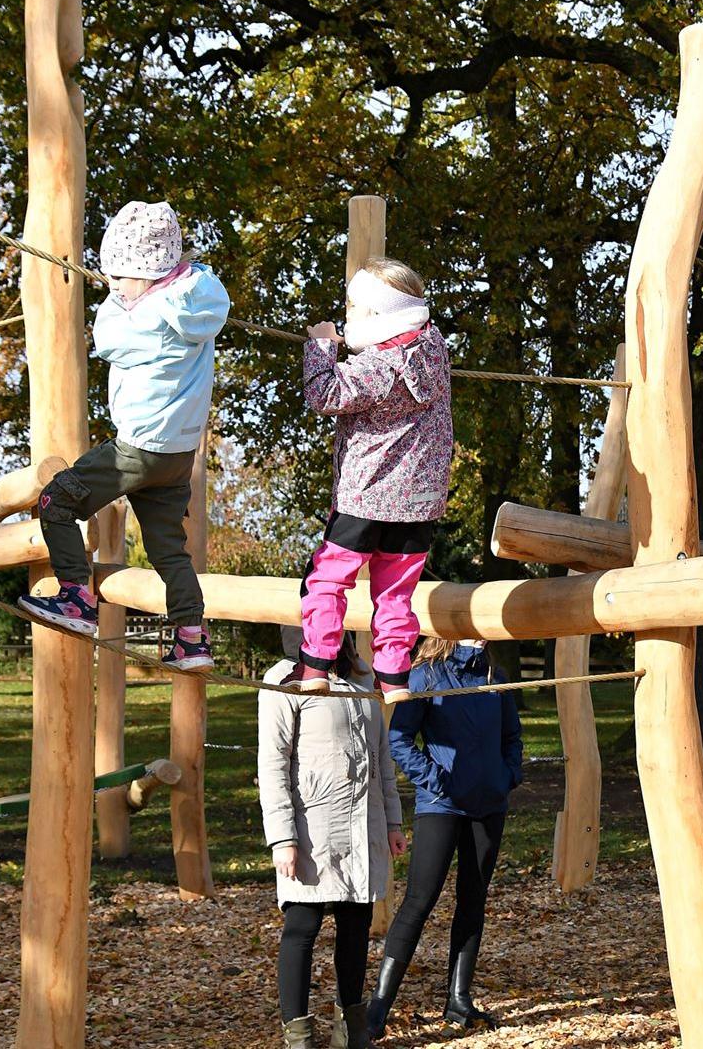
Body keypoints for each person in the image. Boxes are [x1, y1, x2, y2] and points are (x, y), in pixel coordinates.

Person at [19, 202, 229, 671]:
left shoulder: (149, 316)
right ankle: (191, 639)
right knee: (169, 550)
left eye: (120, 278)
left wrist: (120, 302)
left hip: (137, 448)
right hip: (177, 455)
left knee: (57, 501)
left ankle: (75, 596)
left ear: (151, 274)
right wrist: (129, 289)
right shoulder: (197, 296)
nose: (113, 286)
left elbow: (107, 339)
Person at [297, 258, 452, 703]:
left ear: (376, 316)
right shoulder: (435, 352)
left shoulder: (378, 366)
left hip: (364, 498)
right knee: (396, 592)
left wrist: (324, 346)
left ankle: (315, 666)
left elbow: (325, 394)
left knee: (328, 580)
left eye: (354, 310)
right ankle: (393, 676)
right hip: (419, 502)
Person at [367, 637, 522, 1038]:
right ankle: (378, 1008)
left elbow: (511, 738)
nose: (482, 634)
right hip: (442, 806)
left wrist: (507, 777)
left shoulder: (494, 677)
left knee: (473, 900)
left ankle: (459, 1000)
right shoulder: (425, 676)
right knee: (419, 901)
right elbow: (399, 740)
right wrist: (437, 781)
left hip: (489, 806)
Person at [259, 631, 405, 1049]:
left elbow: (381, 760)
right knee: (302, 925)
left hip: (362, 826)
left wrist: (393, 823)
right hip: (312, 829)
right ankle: (298, 1035)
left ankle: (351, 1032)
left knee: (356, 926)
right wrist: (283, 837)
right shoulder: (284, 680)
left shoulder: (362, 680)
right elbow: (272, 765)